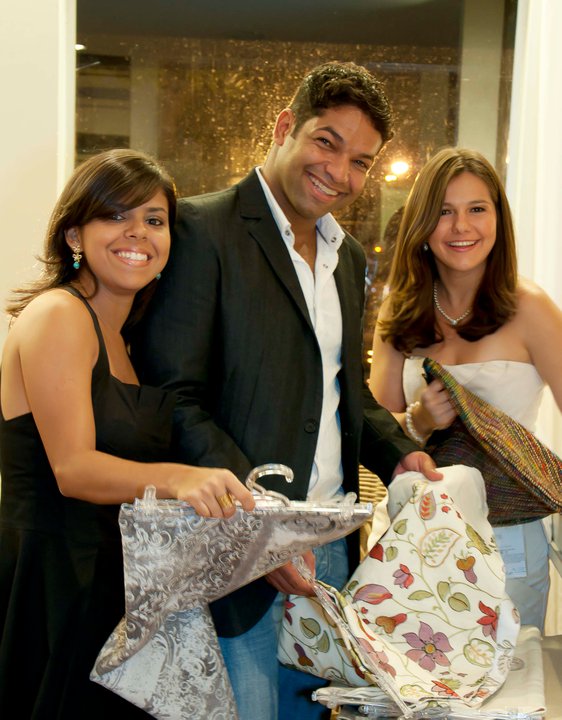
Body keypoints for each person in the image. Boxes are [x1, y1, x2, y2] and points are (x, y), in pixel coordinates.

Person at [131, 61, 441, 720]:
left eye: (360, 162)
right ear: (283, 128)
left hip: (331, 551)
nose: (340, 172)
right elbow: (175, 396)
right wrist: (262, 527)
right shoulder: (201, 229)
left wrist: (400, 455)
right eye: (327, 142)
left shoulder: (347, 257)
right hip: (235, 551)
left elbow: (345, 392)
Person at [0, 149, 255, 719]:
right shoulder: (59, 314)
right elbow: (73, 469)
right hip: (55, 588)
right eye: (115, 215)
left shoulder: (125, 339)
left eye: (154, 219)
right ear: (74, 234)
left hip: (110, 587)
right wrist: (181, 478)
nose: (137, 231)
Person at [369, 146, 562, 632]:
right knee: (412, 670)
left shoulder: (531, 308)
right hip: (415, 536)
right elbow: (373, 429)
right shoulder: (399, 311)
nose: (461, 227)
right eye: (444, 212)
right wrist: (418, 420)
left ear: (498, 218)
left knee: (507, 672)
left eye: (477, 209)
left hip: (508, 538)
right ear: (422, 223)